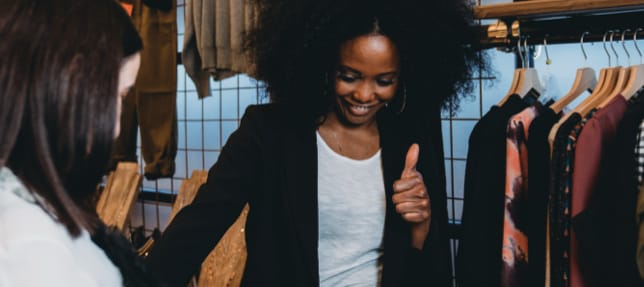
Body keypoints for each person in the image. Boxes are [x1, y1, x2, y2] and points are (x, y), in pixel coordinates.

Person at [145, 0, 483, 286]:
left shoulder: (407, 143)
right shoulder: (268, 133)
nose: (364, 95)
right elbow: (197, 228)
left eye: (384, 81)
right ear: (323, 63)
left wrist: (420, 227)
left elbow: (422, 269)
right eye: (349, 76)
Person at [0, 0, 159, 286]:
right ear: (72, 82)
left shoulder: (27, 201)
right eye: (119, 96)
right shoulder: (33, 249)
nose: (115, 128)